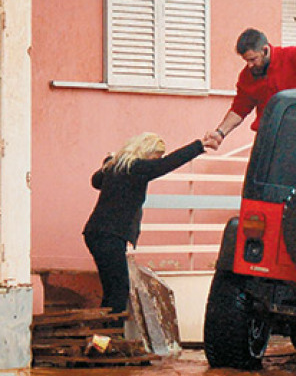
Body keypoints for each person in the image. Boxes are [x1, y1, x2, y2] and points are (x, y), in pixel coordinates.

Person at [83, 132, 208, 314]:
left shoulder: (118, 167)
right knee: (118, 290)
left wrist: (108, 162)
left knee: (112, 288)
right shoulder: (136, 168)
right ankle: (110, 334)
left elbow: (96, 181)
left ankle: (102, 336)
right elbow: (168, 164)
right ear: (147, 152)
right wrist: (198, 146)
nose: (158, 160)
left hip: (97, 233)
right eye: (156, 156)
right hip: (109, 235)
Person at [204, 28, 296, 150]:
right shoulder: (247, 76)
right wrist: (220, 133)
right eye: (246, 60)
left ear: (265, 50)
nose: (250, 65)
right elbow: (239, 109)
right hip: (268, 137)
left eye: (253, 59)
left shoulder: (289, 57)